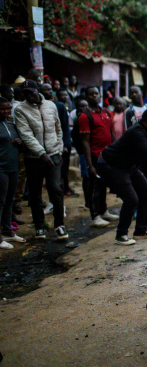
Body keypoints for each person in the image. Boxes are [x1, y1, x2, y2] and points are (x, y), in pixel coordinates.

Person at [97, 108, 147, 245]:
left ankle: (141, 231)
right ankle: (121, 235)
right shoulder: (137, 132)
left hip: (127, 165)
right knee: (131, 199)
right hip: (110, 165)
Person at [14, 80, 68, 240]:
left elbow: (58, 129)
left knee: (56, 189)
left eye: (32, 92)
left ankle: (60, 225)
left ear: (38, 91)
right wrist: (41, 154)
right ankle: (39, 227)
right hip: (34, 158)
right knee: (35, 193)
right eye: (26, 94)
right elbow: (26, 135)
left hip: (53, 155)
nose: (30, 96)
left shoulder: (51, 106)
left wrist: (58, 150)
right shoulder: (20, 110)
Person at [79, 86, 118, 227]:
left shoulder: (106, 112)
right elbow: (85, 142)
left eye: (96, 93)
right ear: (86, 96)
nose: (94, 96)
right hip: (95, 156)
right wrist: (89, 165)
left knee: (103, 184)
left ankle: (103, 211)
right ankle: (95, 216)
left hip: (107, 155)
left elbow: (111, 133)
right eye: (91, 94)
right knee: (94, 186)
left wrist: (115, 151)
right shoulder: (85, 116)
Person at [0, 97, 25, 249]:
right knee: (0, 202)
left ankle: (8, 231)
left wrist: (20, 142)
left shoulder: (11, 124)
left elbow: (20, 144)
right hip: (1, 168)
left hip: (13, 167)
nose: (6, 111)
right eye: (3, 109)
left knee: (10, 200)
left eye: (8, 109)